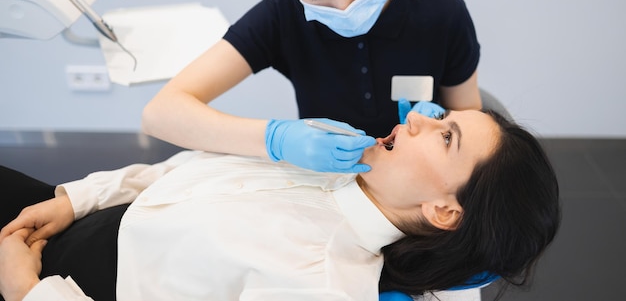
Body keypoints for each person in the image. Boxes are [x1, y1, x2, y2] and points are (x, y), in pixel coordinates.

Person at [0, 109, 560, 301]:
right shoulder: (322, 146)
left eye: (445, 137)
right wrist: (81, 197)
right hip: (73, 214)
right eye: (442, 117)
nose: (418, 117)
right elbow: (195, 165)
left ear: (445, 211)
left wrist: (29, 293)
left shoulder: (320, 282)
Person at [141, 0, 483, 175]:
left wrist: (444, 122)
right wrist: (277, 139)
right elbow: (161, 114)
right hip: (326, 191)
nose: (344, 5)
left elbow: (474, 124)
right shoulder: (283, 16)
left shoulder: (443, 14)